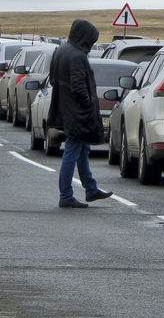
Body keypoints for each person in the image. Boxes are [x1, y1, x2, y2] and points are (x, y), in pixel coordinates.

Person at [47, 19, 113, 208]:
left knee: (82, 149)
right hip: (77, 112)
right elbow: (78, 86)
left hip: (65, 108)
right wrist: (88, 103)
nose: (91, 44)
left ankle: (91, 189)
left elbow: (52, 78)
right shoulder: (77, 55)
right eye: (91, 39)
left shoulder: (61, 49)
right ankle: (65, 195)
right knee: (72, 150)